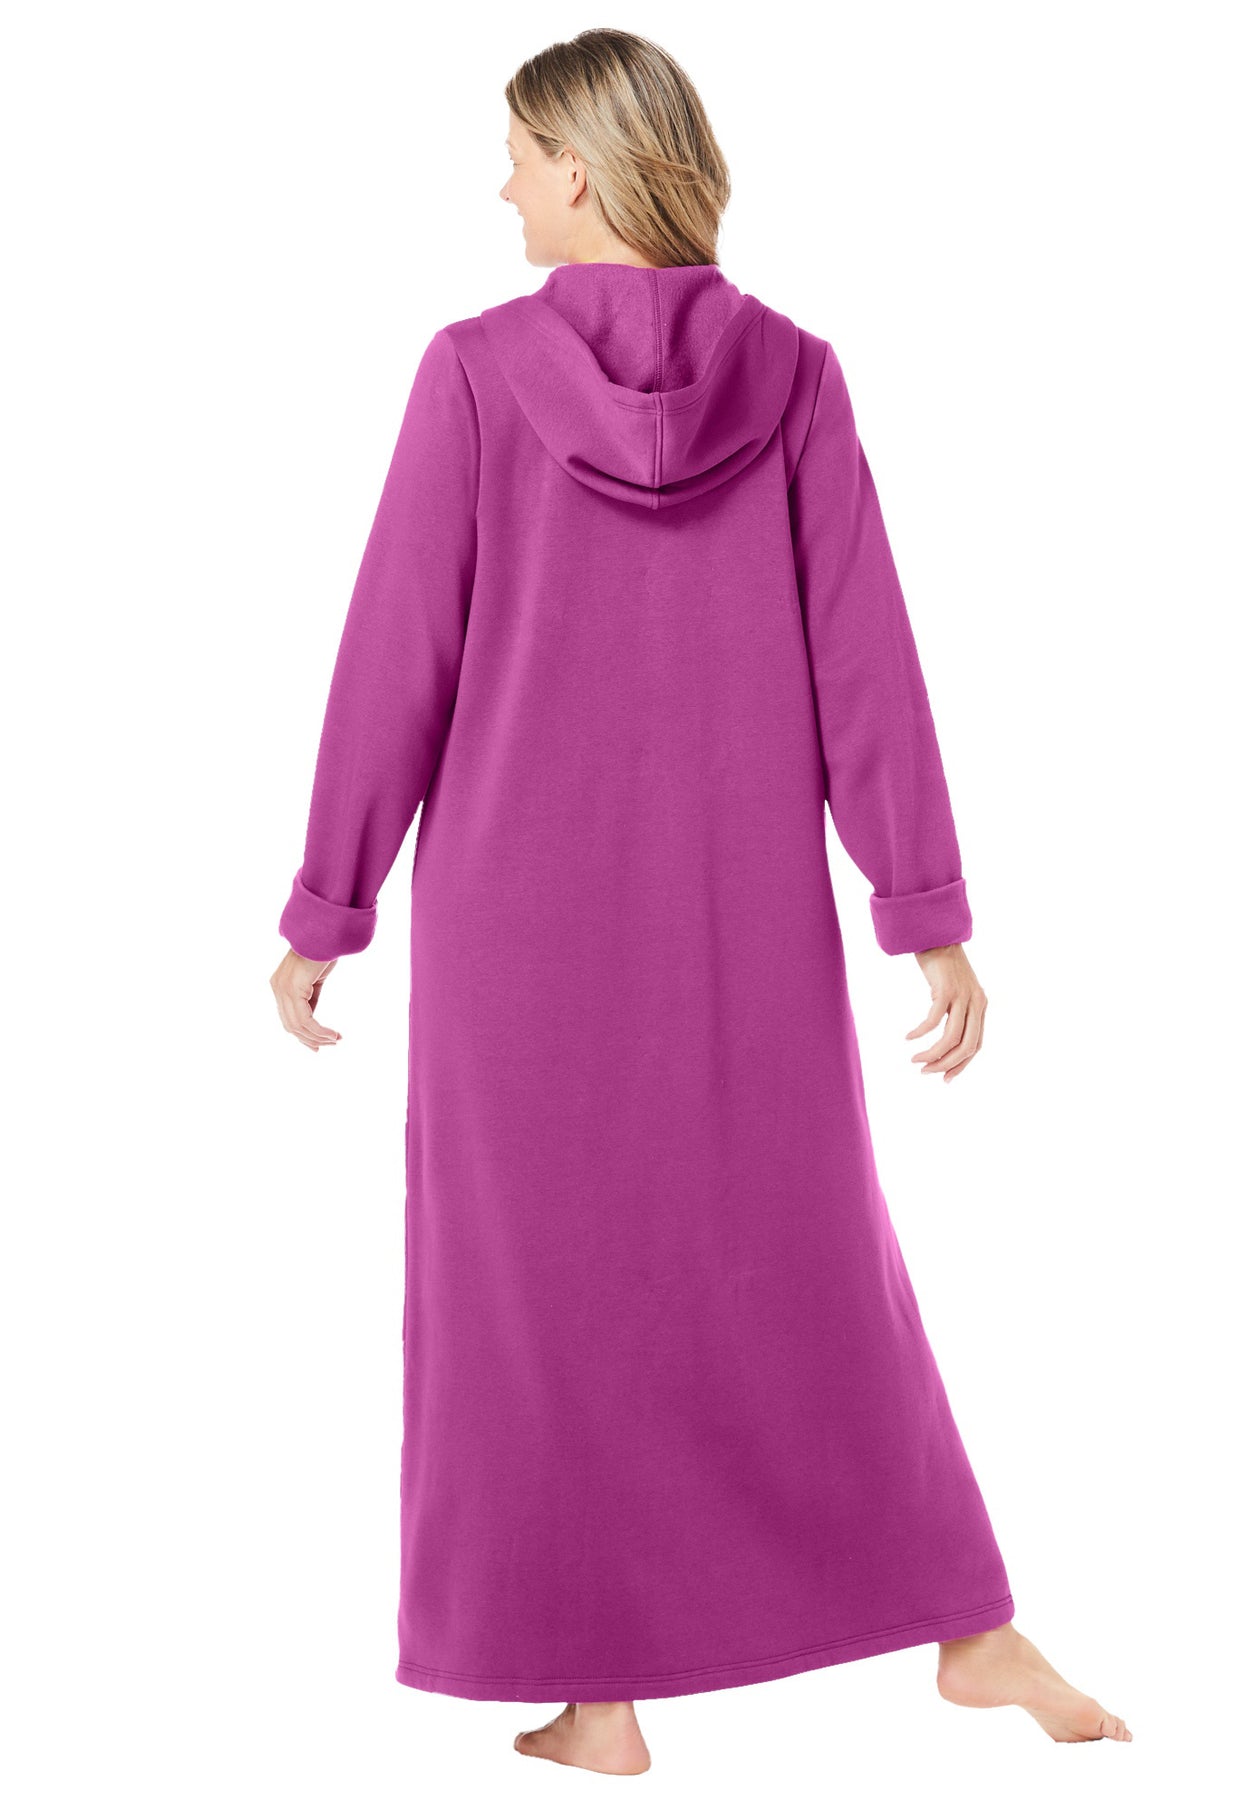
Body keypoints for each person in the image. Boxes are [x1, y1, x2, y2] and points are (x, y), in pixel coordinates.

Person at [270, 27, 1131, 1778]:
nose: (500, 187)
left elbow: (395, 659)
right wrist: (923, 905)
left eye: (517, 156)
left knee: (533, 1301)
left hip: (517, 936)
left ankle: (601, 1698)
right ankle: (960, 1629)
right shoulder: (795, 374)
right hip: (743, 923)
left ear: (582, 173)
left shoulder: (472, 374)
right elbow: (866, 659)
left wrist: (326, 904)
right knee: (804, 1267)